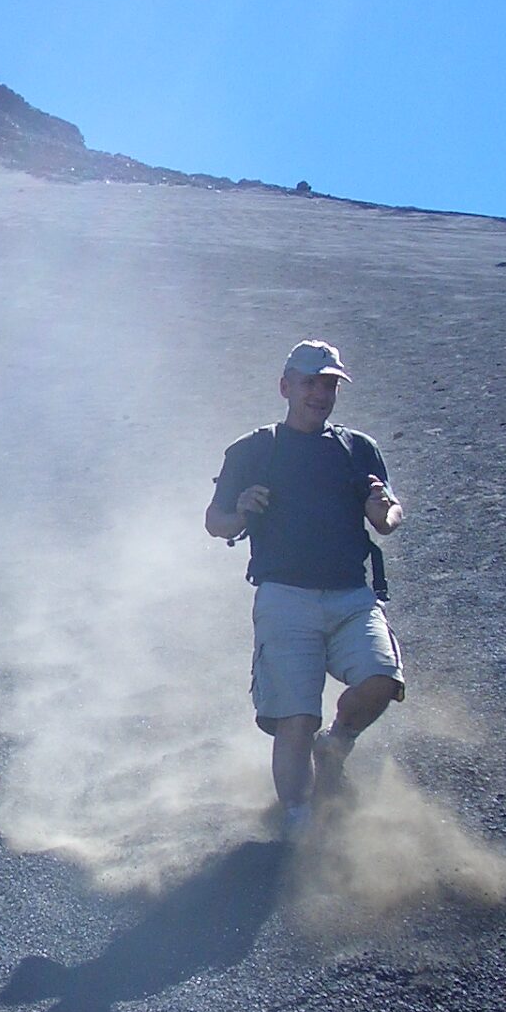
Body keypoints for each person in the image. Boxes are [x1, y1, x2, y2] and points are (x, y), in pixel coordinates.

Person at [204, 340, 405, 837]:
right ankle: (298, 820)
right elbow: (215, 522)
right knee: (295, 718)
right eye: (311, 382)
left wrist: (386, 510)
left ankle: (335, 745)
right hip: (284, 596)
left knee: (382, 680)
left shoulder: (357, 448)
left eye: (330, 384)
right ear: (286, 386)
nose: (321, 393)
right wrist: (242, 512)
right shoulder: (254, 450)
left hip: (351, 597)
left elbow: (387, 516)